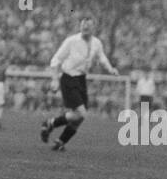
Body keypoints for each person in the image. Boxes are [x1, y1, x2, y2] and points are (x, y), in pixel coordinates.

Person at [41, 16, 117, 151]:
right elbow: (56, 60)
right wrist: (54, 79)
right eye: (83, 26)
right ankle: (51, 123)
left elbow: (102, 57)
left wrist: (110, 68)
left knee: (80, 118)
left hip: (81, 80)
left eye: (88, 26)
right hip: (69, 78)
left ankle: (60, 141)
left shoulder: (96, 43)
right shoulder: (71, 41)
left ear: (94, 28)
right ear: (80, 27)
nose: (85, 28)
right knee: (81, 114)